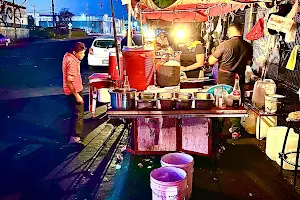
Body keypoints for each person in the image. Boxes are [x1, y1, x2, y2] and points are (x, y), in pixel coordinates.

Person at [208, 22, 253, 139]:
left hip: (224, 78)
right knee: (236, 104)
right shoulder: (248, 46)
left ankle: (217, 130)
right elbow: (248, 63)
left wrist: (214, 54)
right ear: (242, 31)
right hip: (240, 79)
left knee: (221, 103)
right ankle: (236, 131)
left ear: (230, 32)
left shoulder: (224, 45)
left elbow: (211, 61)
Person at [62, 42, 87, 144]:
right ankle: (75, 138)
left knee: (74, 113)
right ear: (74, 52)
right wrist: (77, 96)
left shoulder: (68, 56)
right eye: (81, 53)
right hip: (74, 91)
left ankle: (72, 135)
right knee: (78, 114)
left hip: (72, 90)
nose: (83, 55)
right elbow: (69, 80)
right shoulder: (72, 61)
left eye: (83, 53)